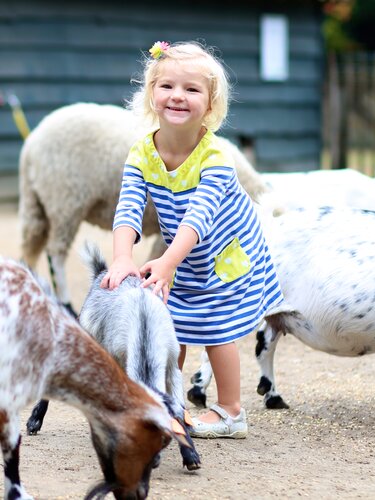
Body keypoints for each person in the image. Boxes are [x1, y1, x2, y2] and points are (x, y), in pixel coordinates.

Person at [101, 40, 288, 439]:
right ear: (151, 93)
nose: (178, 96)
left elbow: (198, 218)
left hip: (226, 254)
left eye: (192, 89)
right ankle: (169, 403)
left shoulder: (216, 157)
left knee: (216, 328)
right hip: (182, 254)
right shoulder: (141, 152)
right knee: (171, 322)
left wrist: (167, 262)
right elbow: (130, 207)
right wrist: (122, 257)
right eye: (167, 86)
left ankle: (231, 412)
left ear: (211, 102)